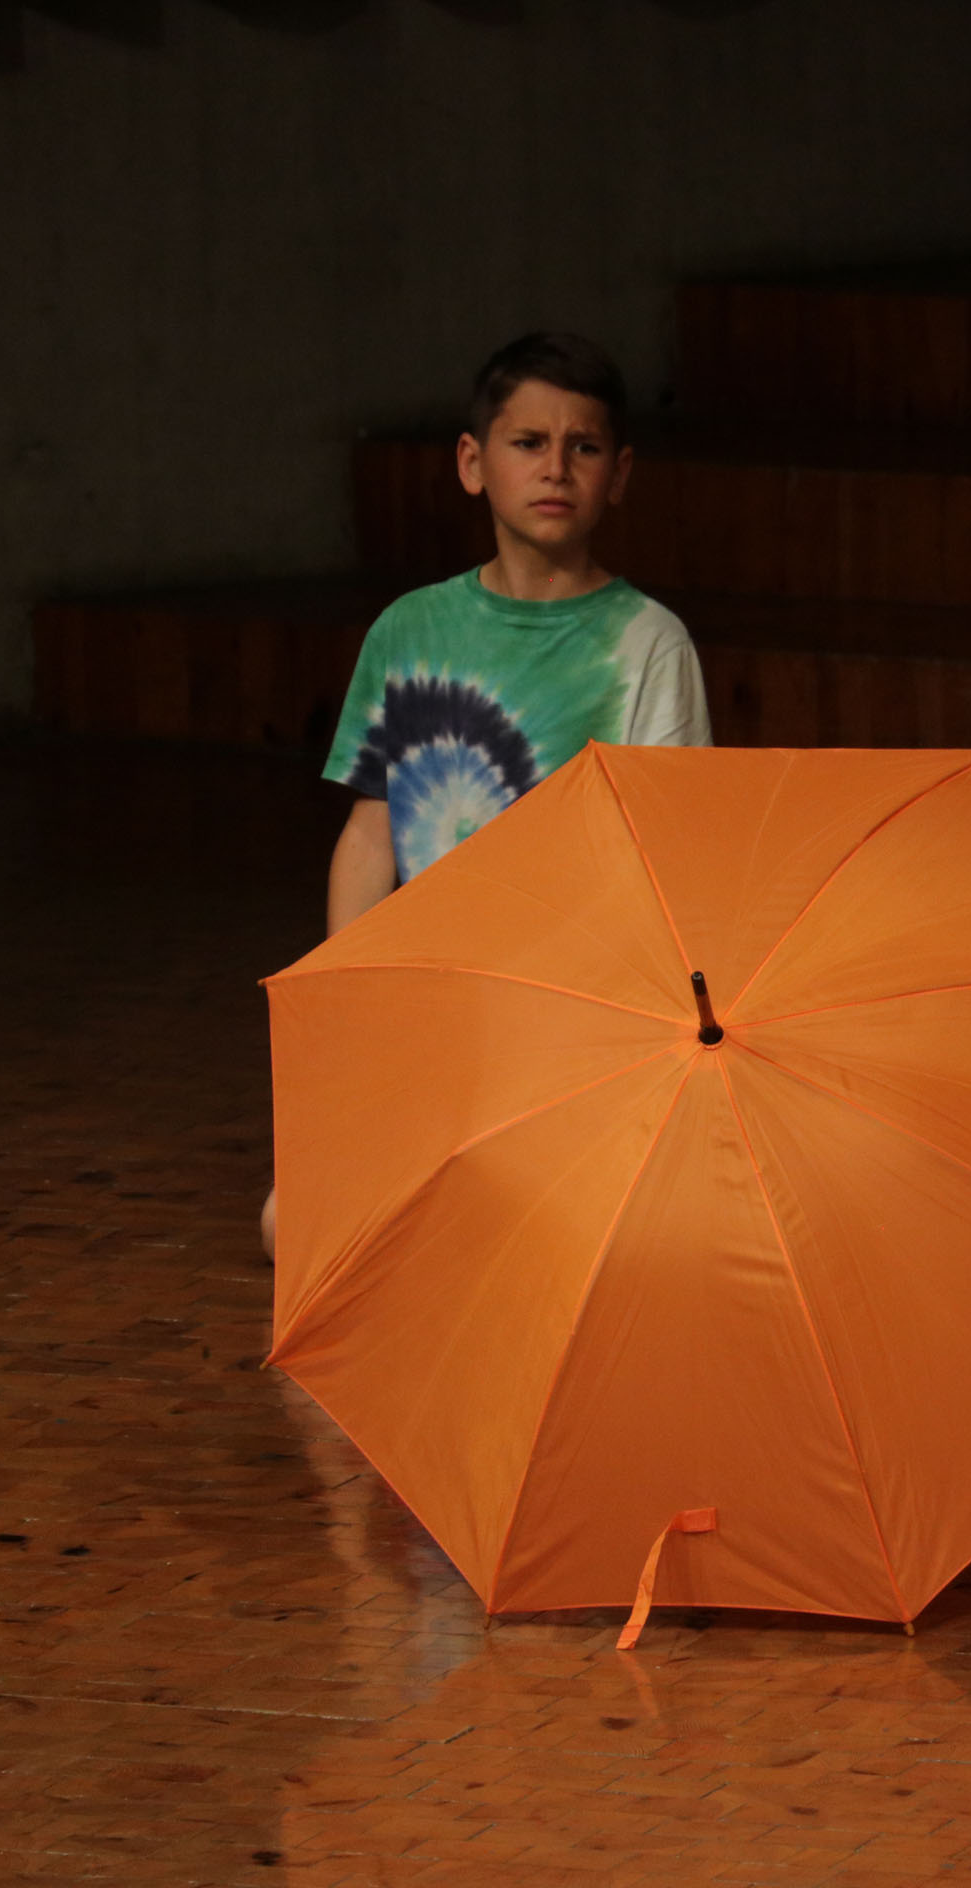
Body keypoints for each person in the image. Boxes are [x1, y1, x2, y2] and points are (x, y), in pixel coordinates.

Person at [262, 332, 709, 1255]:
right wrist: (353, 999)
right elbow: (373, 830)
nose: (556, 469)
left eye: (584, 447)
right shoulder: (411, 629)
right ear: (473, 463)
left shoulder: (647, 643)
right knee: (291, 1228)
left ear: (619, 474)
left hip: (572, 1018)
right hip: (434, 1016)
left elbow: (669, 854)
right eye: (528, 442)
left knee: (556, 1234)